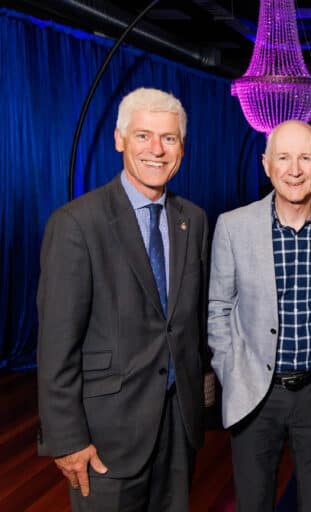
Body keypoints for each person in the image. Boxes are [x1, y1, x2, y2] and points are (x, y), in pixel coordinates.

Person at [37, 87, 209, 511]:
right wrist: (67, 438)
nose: (157, 150)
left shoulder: (194, 220)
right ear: (119, 139)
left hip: (177, 424)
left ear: (182, 148)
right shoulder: (77, 224)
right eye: (143, 136)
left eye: (169, 139)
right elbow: (57, 343)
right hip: (105, 435)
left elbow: (190, 323)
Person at [208, 120, 311, 511]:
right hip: (255, 393)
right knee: (254, 502)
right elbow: (219, 308)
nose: (294, 169)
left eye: (305, 157)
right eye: (283, 157)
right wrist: (231, 370)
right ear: (266, 164)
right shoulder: (232, 226)